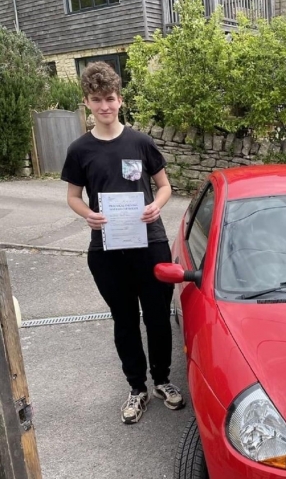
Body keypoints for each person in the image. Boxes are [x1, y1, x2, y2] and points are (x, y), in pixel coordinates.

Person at [61, 61, 184, 424]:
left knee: (158, 316)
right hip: (107, 249)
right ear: (87, 103)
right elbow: (73, 196)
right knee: (125, 319)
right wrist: (88, 214)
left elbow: (165, 187)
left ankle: (162, 380)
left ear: (120, 99)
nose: (104, 106)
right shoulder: (80, 150)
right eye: (97, 100)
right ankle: (136, 388)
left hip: (150, 243)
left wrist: (155, 207)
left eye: (110, 99)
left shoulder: (140, 142)